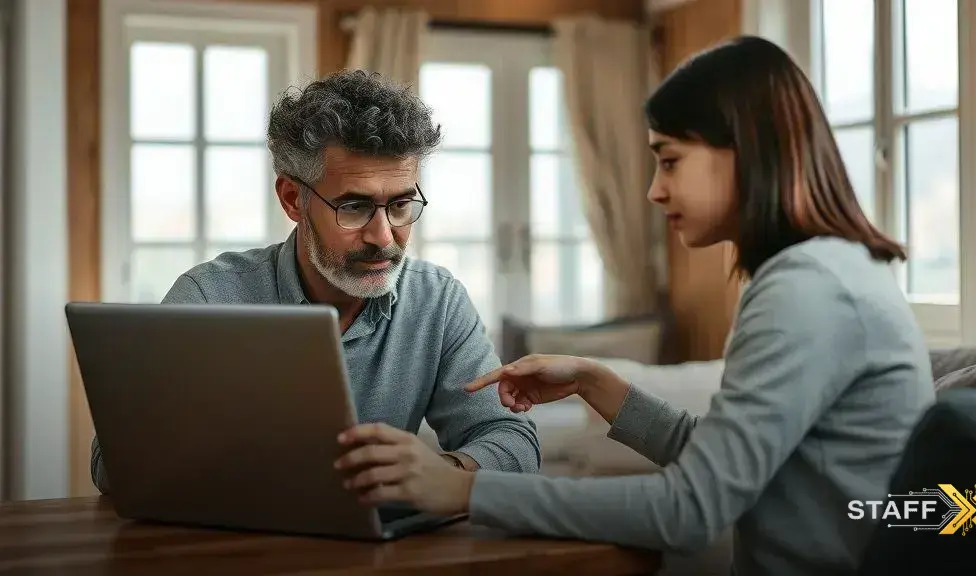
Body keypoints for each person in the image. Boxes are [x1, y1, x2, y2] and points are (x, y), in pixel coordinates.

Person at [332, 36, 936, 576]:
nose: (653, 189)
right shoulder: (830, 270)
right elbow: (728, 464)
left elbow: (691, 508)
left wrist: (465, 491)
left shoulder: (806, 289)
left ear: (747, 150)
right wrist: (600, 384)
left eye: (670, 159)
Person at [90, 70, 541, 494]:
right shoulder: (210, 297)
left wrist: (442, 474)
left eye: (401, 205)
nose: (383, 236)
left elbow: (511, 439)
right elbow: (112, 467)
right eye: (354, 207)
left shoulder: (438, 301)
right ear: (292, 199)